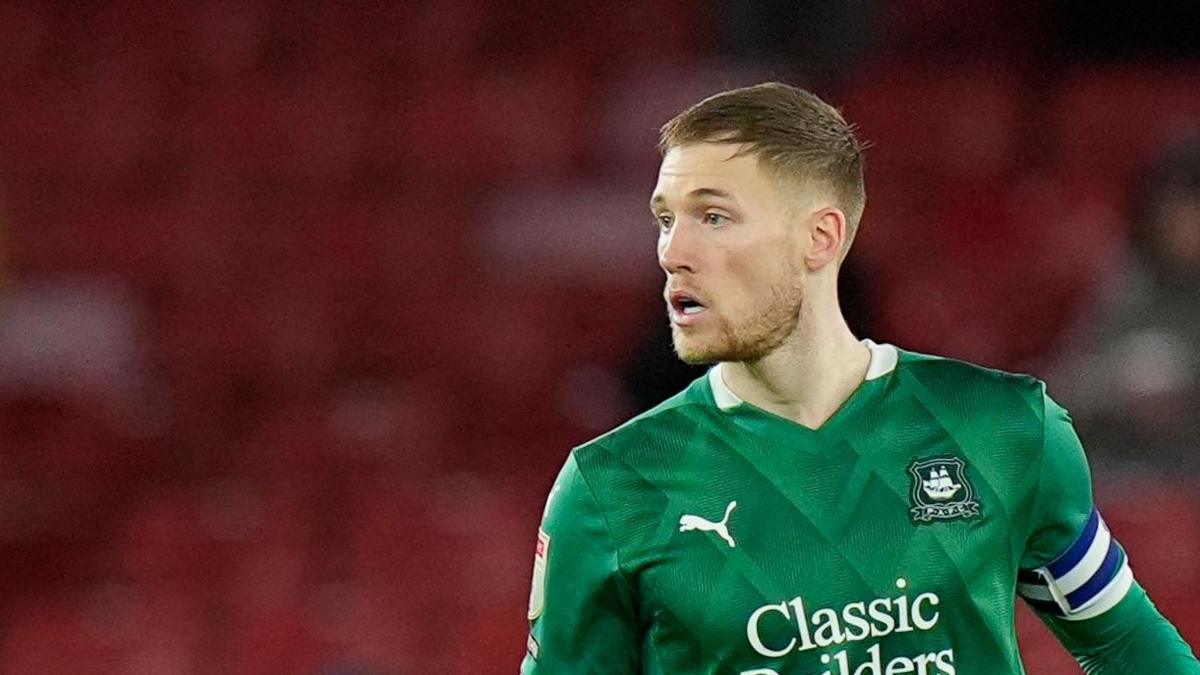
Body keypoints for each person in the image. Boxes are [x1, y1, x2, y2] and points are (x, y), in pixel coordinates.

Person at [520, 83, 1199, 674]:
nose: (674, 251)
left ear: (821, 237)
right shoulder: (610, 488)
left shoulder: (1004, 428)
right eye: (666, 219)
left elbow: (1125, 643)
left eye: (714, 216)